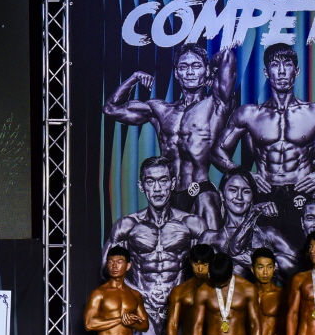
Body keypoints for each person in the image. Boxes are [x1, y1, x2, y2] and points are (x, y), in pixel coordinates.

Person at [213, 43, 315, 241]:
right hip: (265, 191)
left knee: (306, 250)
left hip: (304, 191)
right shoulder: (249, 114)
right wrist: (246, 175)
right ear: (266, 72)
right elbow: (216, 152)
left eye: (288, 64)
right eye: (275, 65)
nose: (282, 71)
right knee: (262, 250)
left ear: (297, 71)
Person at [103, 155, 205, 335]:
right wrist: (138, 295)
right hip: (143, 310)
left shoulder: (193, 224)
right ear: (141, 186)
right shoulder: (127, 226)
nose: (157, 188)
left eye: (163, 180)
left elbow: (207, 273)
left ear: (173, 182)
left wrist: (183, 295)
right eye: (151, 181)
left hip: (179, 310)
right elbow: (106, 271)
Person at [102, 45, 238, 228]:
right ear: (176, 73)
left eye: (196, 66)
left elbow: (227, 56)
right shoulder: (161, 110)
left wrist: (211, 69)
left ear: (205, 71)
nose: (189, 72)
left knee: (208, 240)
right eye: (183, 67)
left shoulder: (216, 105)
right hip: (168, 195)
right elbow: (110, 108)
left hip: (199, 190)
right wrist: (134, 78)